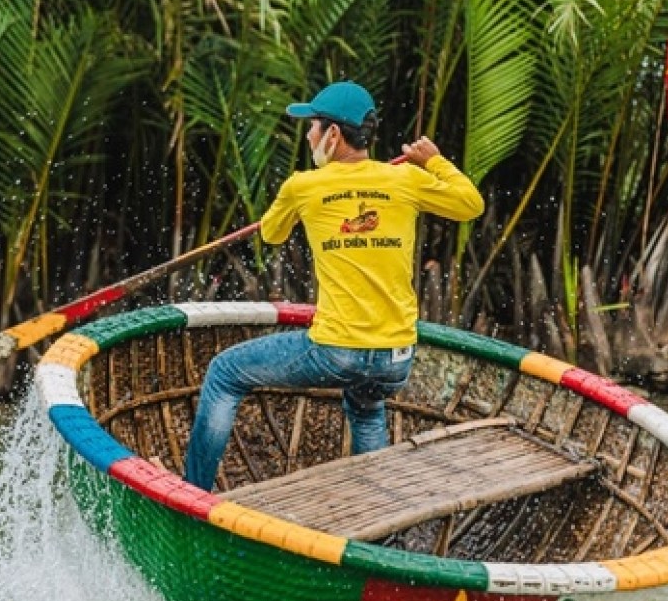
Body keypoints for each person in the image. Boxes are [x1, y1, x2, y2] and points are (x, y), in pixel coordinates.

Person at [183, 81, 484, 492]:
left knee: (223, 372)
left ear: (334, 135)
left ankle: (190, 494)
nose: (308, 135)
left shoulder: (302, 186)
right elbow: (471, 204)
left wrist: (302, 203)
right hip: (396, 359)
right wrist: (434, 161)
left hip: (337, 353)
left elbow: (271, 234)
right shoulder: (406, 181)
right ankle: (377, 534)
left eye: (312, 126)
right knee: (367, 406)